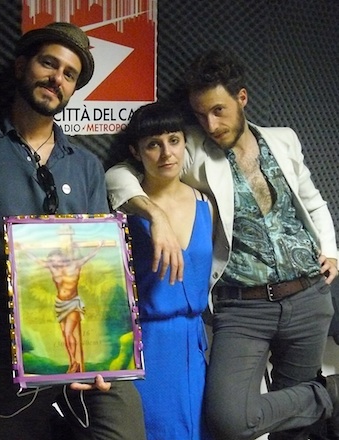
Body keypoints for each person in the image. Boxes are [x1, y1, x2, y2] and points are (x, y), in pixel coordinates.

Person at [106, 49, 339, 440]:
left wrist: (331, 250)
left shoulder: (284, 139)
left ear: (241, 98)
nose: (211, 124)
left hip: (308, 296)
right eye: (200, 115)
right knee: (229, 418)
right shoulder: (192, 150)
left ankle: (319, 400)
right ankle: (328, 393)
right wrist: (155, 215)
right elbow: (119, 174)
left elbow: (312, 200)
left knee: (294, 426)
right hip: (244, 306)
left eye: (218, 111)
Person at [0, 21, 146, 440]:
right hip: (4, 353)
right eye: (49, 64)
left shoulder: (86, 165)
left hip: (84, 353)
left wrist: (101, 351)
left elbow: (98, 263)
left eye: (69, 74)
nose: (57, 79)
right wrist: (8, 309)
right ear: (21, 66)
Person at [112, 101, 214, 439]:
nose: (166, 153)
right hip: (146, 345)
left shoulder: (206, 204)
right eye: (153, 144)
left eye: (173, 140)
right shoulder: (125, 209)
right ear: (136, 152)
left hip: (194, 345)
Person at [18, 240, 105, 374]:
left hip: (73, 303)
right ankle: (72, 361)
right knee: (65, 335)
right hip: (60, 304)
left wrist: (100, 246)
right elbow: (37, 261)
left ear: (62, 258)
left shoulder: (75, 265)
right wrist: (24, 249)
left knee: (69, 333)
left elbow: (89, 256)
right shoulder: (53, 268)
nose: (54, 263)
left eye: (56, 260)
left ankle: (75, 362)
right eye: (52, 260)